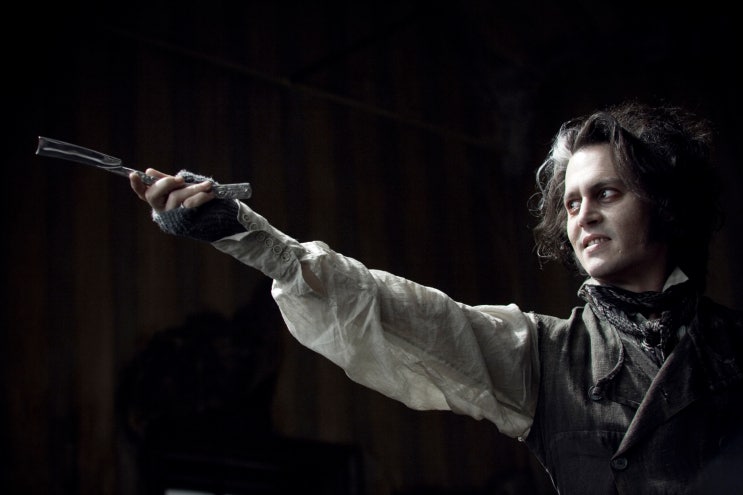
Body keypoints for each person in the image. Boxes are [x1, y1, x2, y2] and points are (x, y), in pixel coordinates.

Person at [129, 101, 743, 494]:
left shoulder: (733, 349)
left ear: (663, 201)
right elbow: (388, 308)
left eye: (606, 193)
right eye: (572, 202)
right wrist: (247, 234)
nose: (582, 216)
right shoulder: (543, 355)